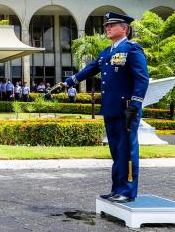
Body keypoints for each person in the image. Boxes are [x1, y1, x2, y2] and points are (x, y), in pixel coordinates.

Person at [62, 12, 149, 203]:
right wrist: (68, 82)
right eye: (106, 26)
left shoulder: (132, 49)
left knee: (126, 150)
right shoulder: (107, 52)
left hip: (127, 109)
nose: (107, 28)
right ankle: (117, 189)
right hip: (110, 109)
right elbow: (90, 69)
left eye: (112, 25)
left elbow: (142, 80)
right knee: (116, 151)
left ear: (124, 28)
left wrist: (135, 105)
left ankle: (127, 191)